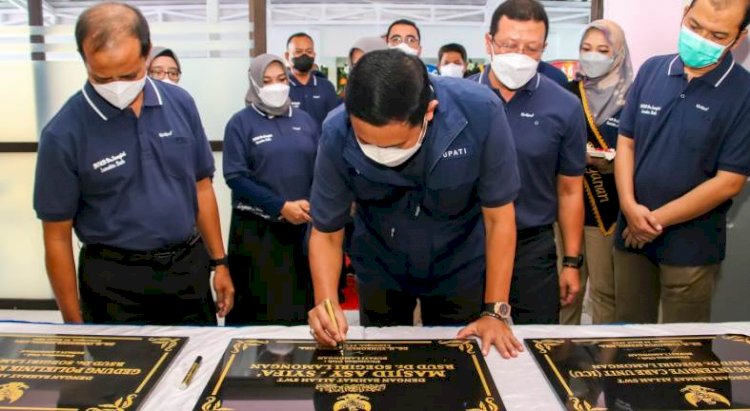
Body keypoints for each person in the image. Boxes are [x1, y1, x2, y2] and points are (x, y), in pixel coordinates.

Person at [307, 49, 523, 358]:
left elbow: (499, 218)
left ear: (429, 112)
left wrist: (495, 312)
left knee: (457, 369)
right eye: (366, 141)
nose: (380, 152)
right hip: (380, 265)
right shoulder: (335, 130)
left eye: (395, 144)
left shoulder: (480, 111)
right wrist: (326, 306)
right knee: (382, 368)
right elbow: (327, 231)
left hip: (458, 266)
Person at [32, 2, 234, 325]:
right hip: (114, 284)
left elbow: (202, 187)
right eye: (101, 76)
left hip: (187, 271)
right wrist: (74, 324)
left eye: (128, 74)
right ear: (84, 61)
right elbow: (56, 237)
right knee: (123, 375)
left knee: (196, 367)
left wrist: (219, 262)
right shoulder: (64, 133)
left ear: (147, 53)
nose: (116, 86)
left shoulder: (180, 104)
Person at [613, 0, 750, 323]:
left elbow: (729, 181)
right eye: (694, 27)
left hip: (691, 246)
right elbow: (626, 143)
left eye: (717, 35)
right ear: (683, 15)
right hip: (631, 235)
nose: (702, 39)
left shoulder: (743, 92)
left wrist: (652, 221)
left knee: (682, 350)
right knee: (627, 336)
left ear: (739, 37)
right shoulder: (652, 70)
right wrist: (630, 207)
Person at [470, 0, 587, 325]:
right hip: (466, 244)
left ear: (544, 48)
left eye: (531, 48)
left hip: (532, 248)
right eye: (509, 45)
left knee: (533, 349)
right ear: (489, 42)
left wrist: (572, 262)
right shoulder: (459, 98)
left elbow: (569, 190)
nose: (519, 55)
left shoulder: (564, 106)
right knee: (463, 350)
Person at [222, 54, 320, 325]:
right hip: (257, 233)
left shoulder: (306, 120)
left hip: (301, 229)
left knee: (299, 309)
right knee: (258, 314)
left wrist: (311, 204)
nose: (275, 86)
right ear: (254, 83)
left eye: (280, 79)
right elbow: (235, 176)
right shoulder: (240, 123)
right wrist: (279, 206)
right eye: (266, 81)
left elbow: (321, 168)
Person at [559, 19, 633, 325]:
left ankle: (605, 361)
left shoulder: (632, 97)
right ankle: (559, 358)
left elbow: (641, 153)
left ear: (618, 53)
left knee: (605, 292)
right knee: (564, 292)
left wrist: (613, 163)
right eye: (586, 49)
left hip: (610, 210)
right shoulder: (566, 93)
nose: (593, 56)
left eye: (603, 49)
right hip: (565, 207)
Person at [285, 32, 340, 127]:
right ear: (287, 56)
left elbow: (335, 122)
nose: (304, 55)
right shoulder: (283, 87)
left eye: (309, 51)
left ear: (314, 55)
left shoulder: (326, 87)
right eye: (298, 52)